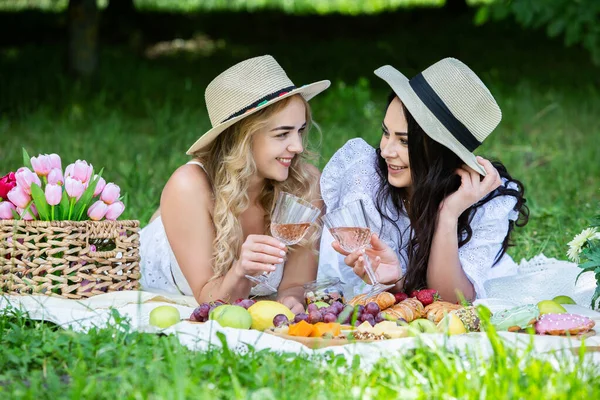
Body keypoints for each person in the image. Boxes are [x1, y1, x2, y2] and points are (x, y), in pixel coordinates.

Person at [319, 57, 594, 306]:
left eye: (403, 141)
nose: (386, 150)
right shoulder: (366, 175)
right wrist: (396, 282)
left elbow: (450, 300)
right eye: (386, 133)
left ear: (440, 150)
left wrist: (448, 214)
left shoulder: (484, 200)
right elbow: (360, 277)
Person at [140, 55, 329, 313]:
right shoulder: (189, 186)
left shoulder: (305, 183)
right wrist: (241, 270)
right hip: (165, 253)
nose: (297, 146)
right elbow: (211, 303)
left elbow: (295, 284)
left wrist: (291, 304)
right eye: (282, 134)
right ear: (243, 138)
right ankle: (161, 220)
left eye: (300, 130)